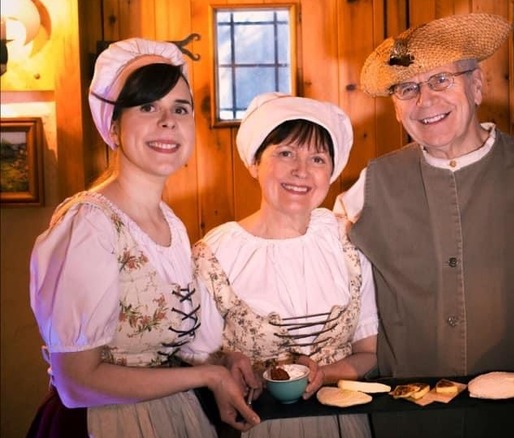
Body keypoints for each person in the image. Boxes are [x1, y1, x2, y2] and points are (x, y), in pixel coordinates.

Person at [334, 13, 514, 437]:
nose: (425, 101)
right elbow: (331, 286)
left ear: (477, 84)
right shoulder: (367, 188)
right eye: (407, 88)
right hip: (406, 424)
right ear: (396, 108)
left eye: (441, 81)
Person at [26, 38, 259, 437]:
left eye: (180, 109)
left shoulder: (171, 223)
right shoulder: (89, 225)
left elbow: (168, 344)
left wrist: (222, 361)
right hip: (104, 423)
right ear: (113, 127)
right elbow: (77, 382)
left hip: (173, 418)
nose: (167, 121)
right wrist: (205, 378)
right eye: (148, 106)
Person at [181, 92, 379, 438]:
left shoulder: (347, 242)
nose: (301, 171)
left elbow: (368, 353)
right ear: (254, 163)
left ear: (331, 173)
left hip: (343, 425)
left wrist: (327, 373)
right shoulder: (216, 255)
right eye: (285, 153)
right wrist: (226, 364)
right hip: (258, 427)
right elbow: (196, 357)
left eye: (317, 159)